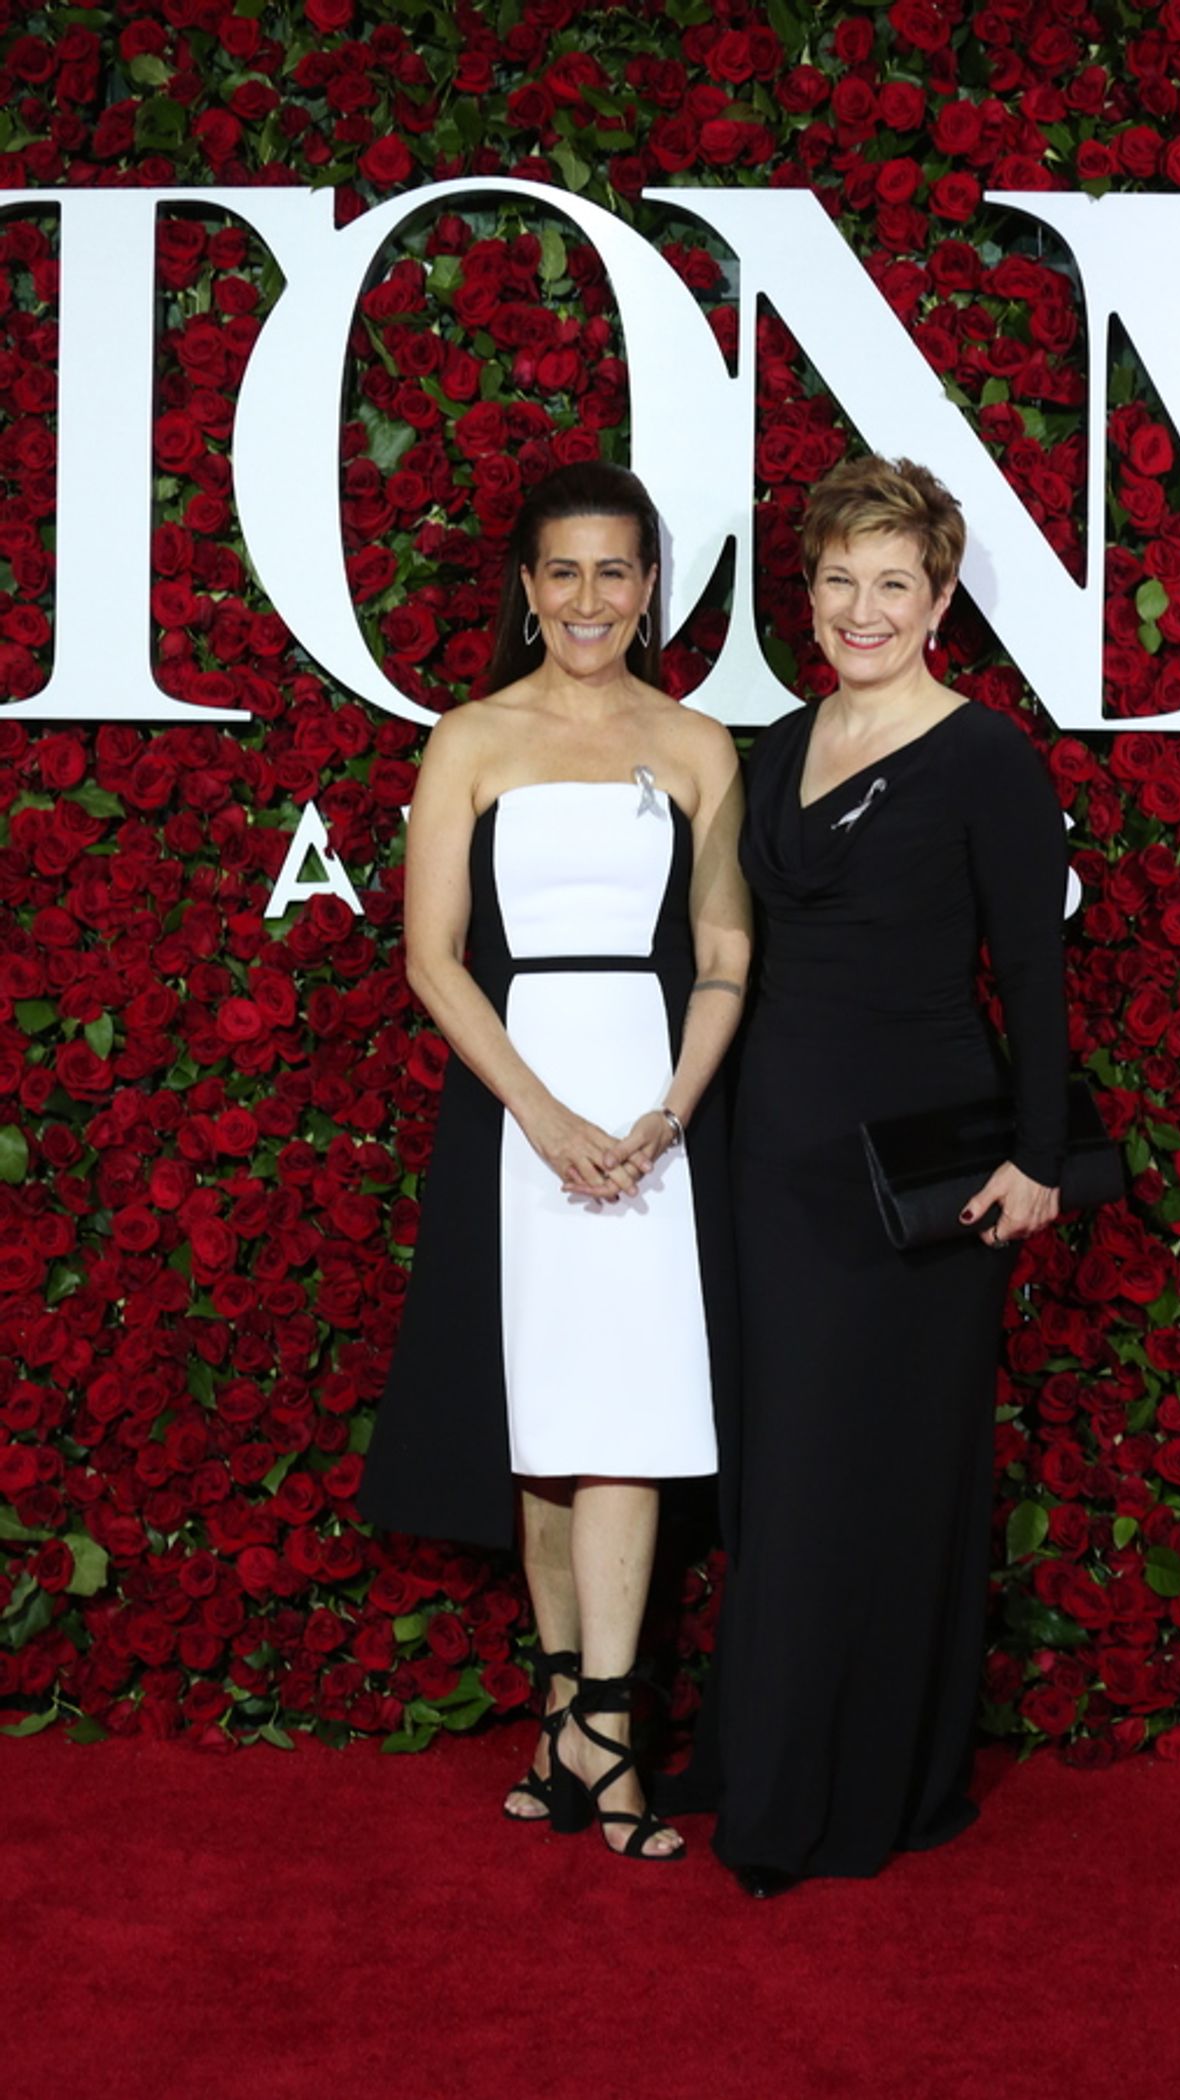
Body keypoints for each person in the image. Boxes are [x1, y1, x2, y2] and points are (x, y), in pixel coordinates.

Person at [358, 461, 749, 1863]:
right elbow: (432, 958)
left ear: (649, 589)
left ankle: (606, 1735)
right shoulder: (470, 737)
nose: (590, 597)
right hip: (516, 1110)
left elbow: (725, 952)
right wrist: (541, 1114)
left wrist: (667, 1114)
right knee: (544, 1428)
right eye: (564, 571)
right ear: (528, 588)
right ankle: (568, 1718)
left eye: (615, 571)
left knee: (630, 1418)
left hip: (655, 1115)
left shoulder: (698, 744)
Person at [699, 453, 1069, 1893]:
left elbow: (1030, 971)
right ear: (808, 590)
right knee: (783, 1463)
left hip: (926, 1168)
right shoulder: (779, 745)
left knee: (889, 1467)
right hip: (776, 1154)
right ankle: (776, 1752)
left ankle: (863, 1784)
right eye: (840, 578)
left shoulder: (987, 758)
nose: (864, 608)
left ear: (940, 597)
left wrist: (1038, 1154)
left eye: (894, 583)